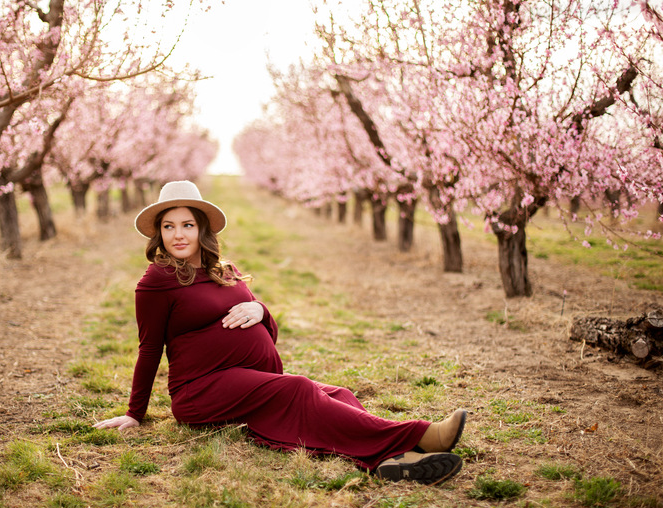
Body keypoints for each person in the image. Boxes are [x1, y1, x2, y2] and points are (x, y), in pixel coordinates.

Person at [94, 180, 467, 484]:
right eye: (168, 226)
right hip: (200, 391)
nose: (178, 234)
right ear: (158, 233)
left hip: (248, 377)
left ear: (201, 228)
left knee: (338, 392)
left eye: (187, 224)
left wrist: (260, 309)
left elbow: (266, 330)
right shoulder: (157, 280)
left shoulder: (226, 270)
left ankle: (393, 460)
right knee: (300, 388)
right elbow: (148, 349)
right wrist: (135, 413)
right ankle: (420, 435)